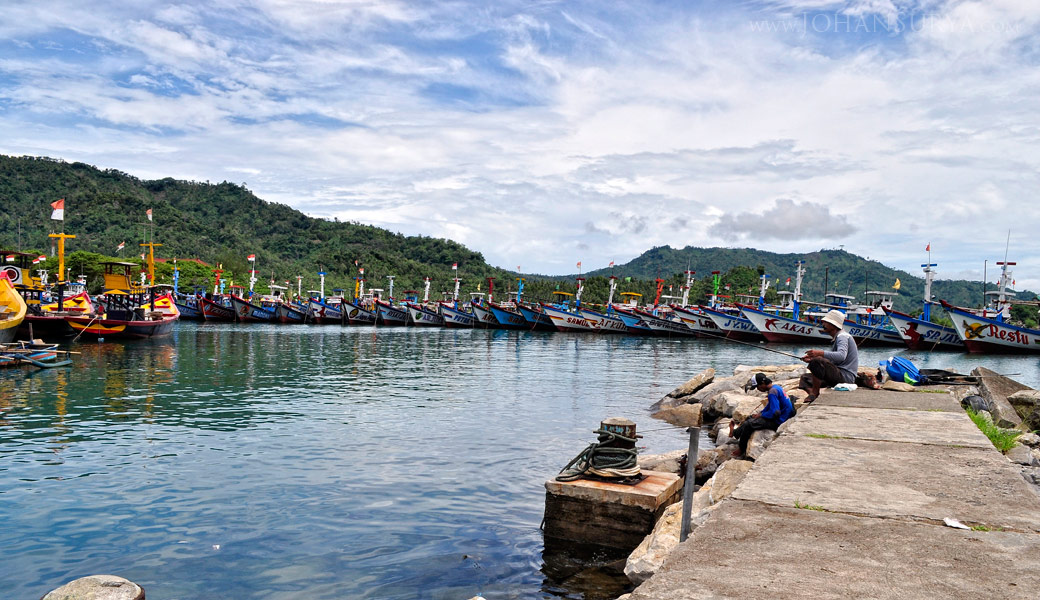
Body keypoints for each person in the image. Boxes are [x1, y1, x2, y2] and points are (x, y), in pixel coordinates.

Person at [799, 309, 859, 402]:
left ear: (834, 325)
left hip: (845, 377)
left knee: (817, 361)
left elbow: (841, 356)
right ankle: (814, 396)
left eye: (826, 323)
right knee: (805, 379)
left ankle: (814, 393)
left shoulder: (842, 336)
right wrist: (812, 359)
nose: (823, 325)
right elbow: (834, 361)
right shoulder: (838, 337)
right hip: (837, 374)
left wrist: (819, 354)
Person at [733, 373, 795, 457]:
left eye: (757, 387)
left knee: (749, 424)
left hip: (779, 421)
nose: (758, 389)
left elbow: (775, 412)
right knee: (750, 418)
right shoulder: (776, 387)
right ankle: (735, 433)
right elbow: (770, 405)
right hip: (783, 416)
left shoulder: (772, 392)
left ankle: (741, 448)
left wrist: (763, 415)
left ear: (762, 384)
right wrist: (761, 413)